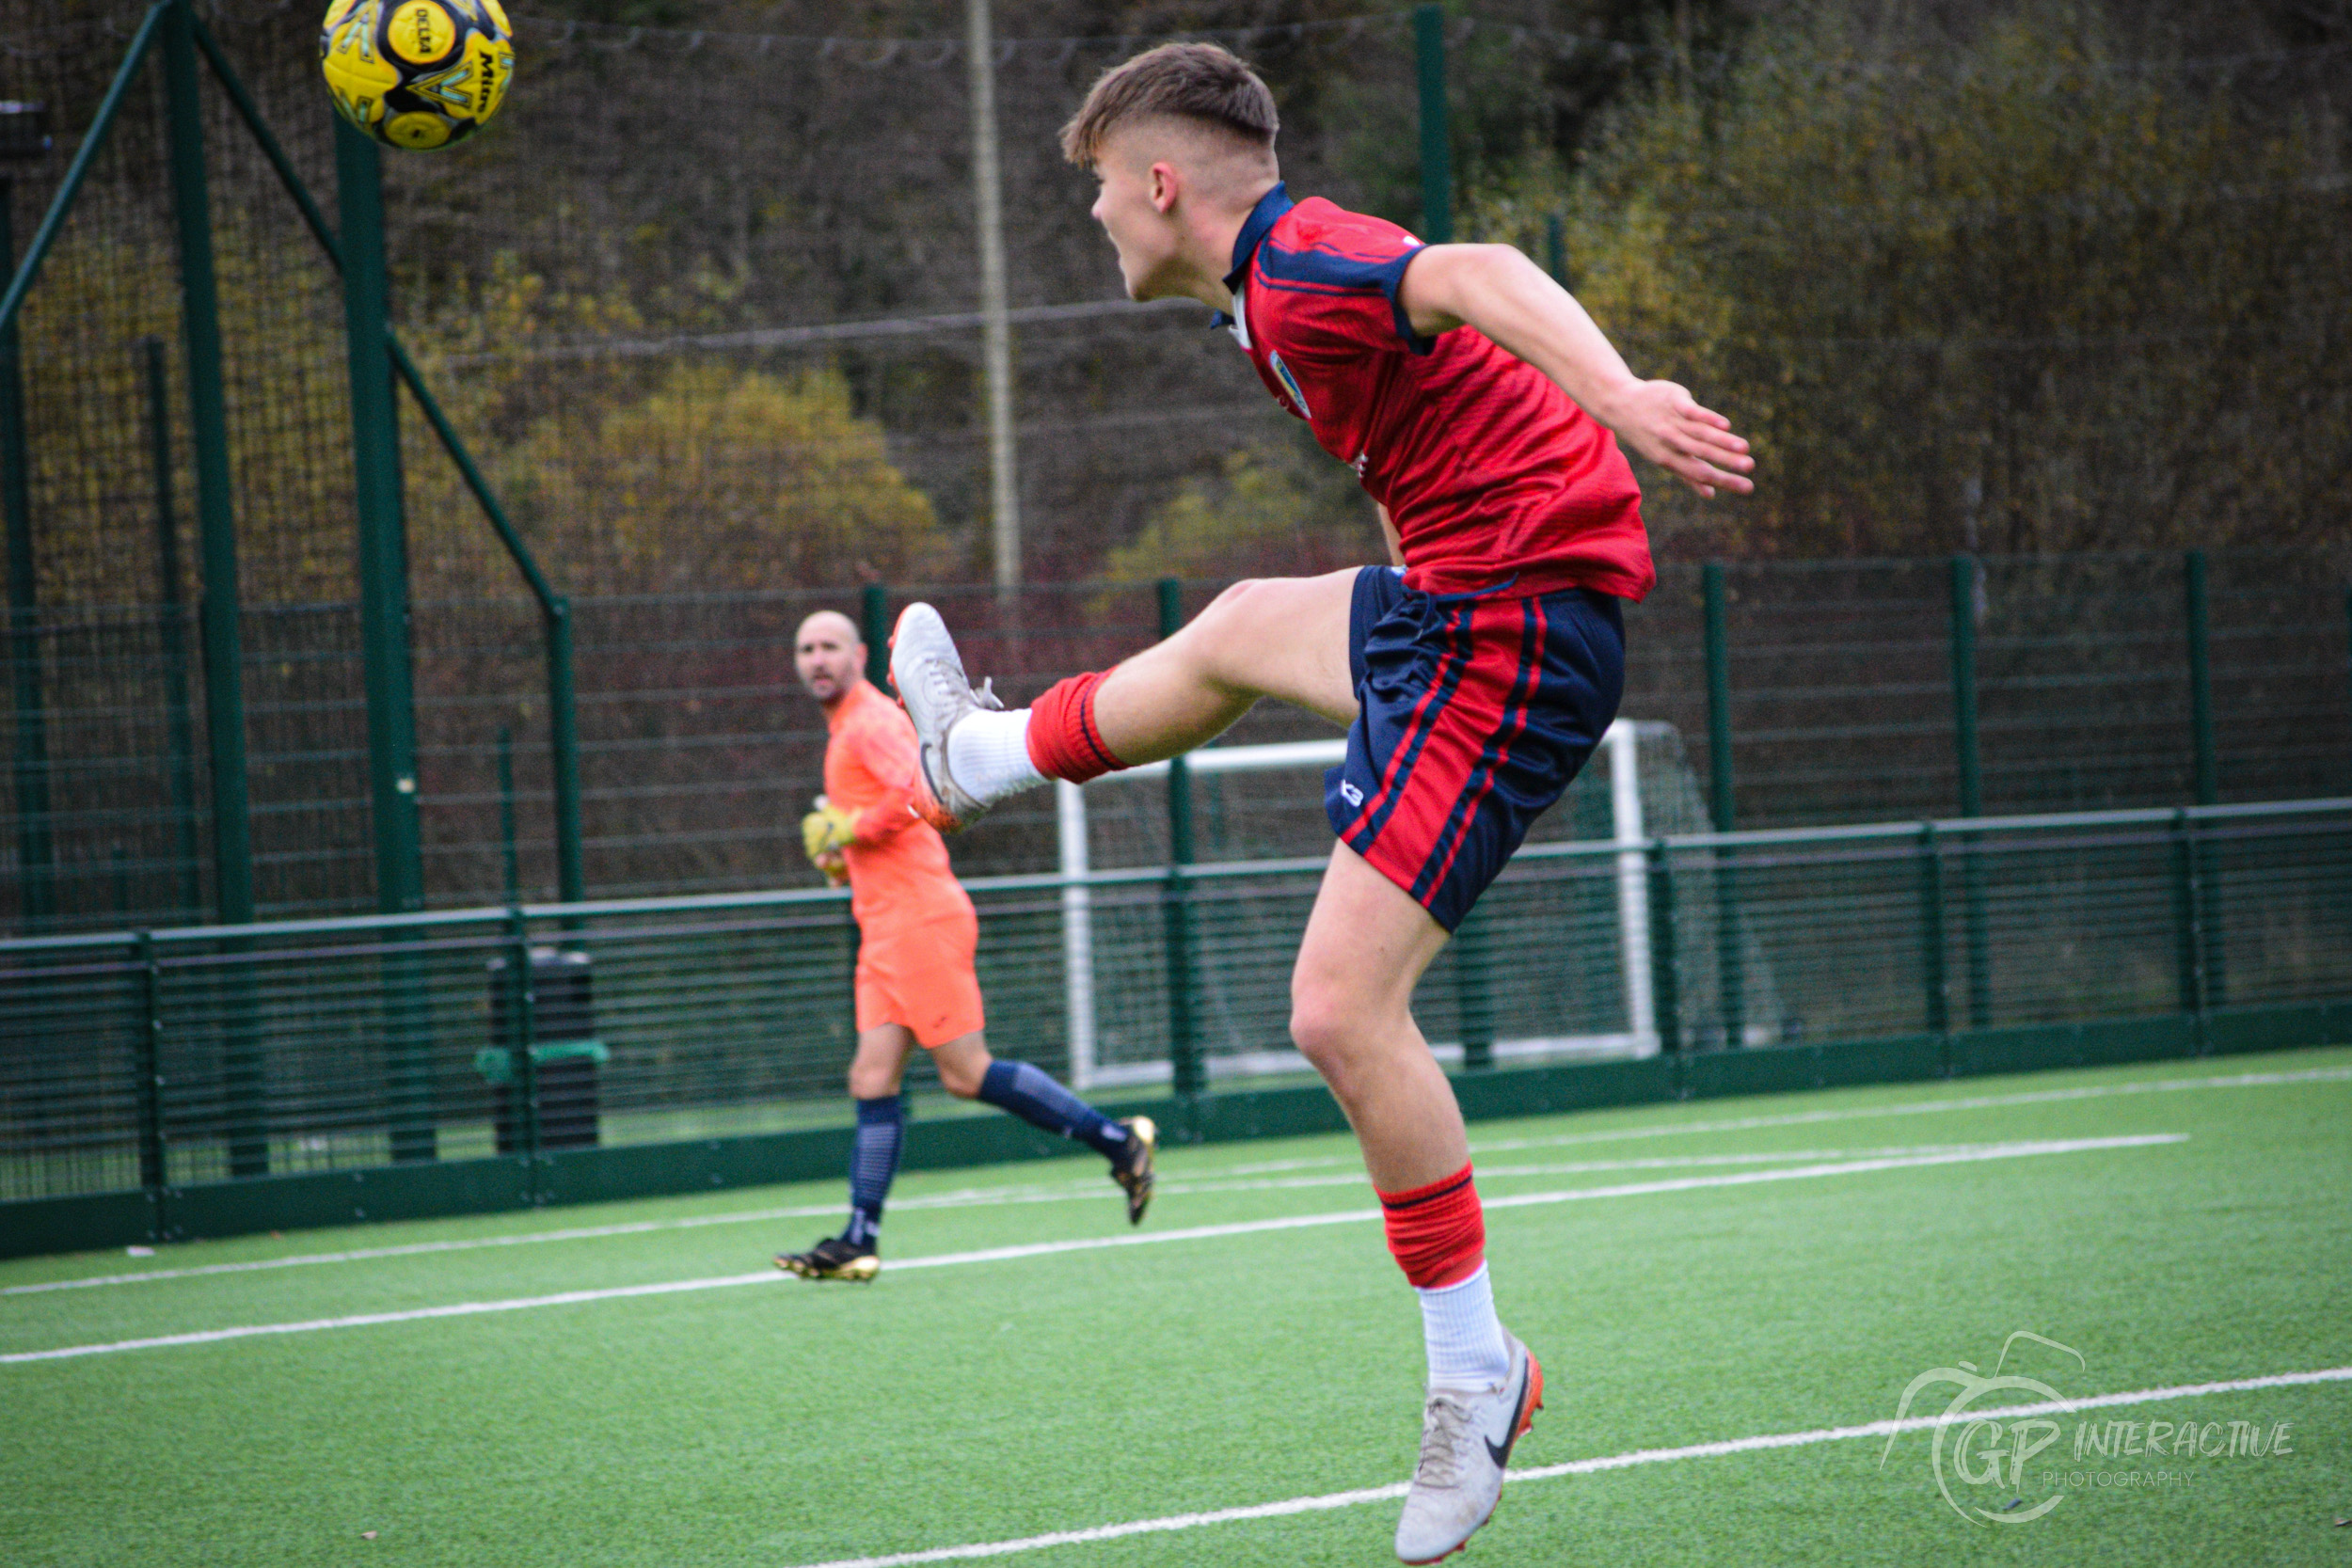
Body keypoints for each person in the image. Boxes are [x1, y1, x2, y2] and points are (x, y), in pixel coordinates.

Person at [885, 44, 1754, 1563]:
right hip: (1460, 599)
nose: (1092, 215)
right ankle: (980, 758)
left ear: (1162, 184)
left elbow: (1471, 269)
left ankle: (1477, 1369)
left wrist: (1616, 393)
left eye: (1098, 185)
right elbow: (1420, 432)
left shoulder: (1299, 267)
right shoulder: (1263, 309)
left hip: (1522, 628)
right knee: (1230, 630)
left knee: (1341, 1013)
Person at [773, 610, 1158, 1283]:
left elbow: (923, 789)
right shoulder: (843, 730)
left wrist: (850, 826)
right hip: (885, 925)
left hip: (919, 919)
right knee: (871, 1078)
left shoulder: (868, 722)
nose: (818, 659)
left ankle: (1120, 1140)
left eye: (830, 646)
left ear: (861, 653)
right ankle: (858, 1238)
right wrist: (843, 852)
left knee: (966, 1074)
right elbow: (879, 826)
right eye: (806, 649)